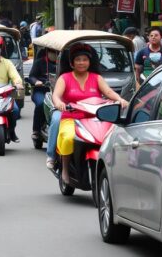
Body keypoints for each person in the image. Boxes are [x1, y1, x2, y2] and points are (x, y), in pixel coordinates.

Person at [51, 44, 128, 181]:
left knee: (111, 138)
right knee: (68, 138)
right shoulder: (64, 78)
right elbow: (56, 95)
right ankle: (65, 169)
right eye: (78, 60)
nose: (81, 63)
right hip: (72, 118)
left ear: (89, 62)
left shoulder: (96, 78)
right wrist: (59, 103)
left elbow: (108, 92)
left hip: (95, 118)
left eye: (84, 59)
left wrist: (120, 100)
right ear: (72, 63)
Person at [28, 48, 57, 147]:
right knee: (41, 104)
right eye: (52, 51)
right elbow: (31, 76)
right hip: (41, 91)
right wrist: (37, 82)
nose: (54, 54)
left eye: (56, 52)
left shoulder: (63, 64)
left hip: (57, 92)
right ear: (47, 52)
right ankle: (36, 130)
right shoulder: (39, 63)